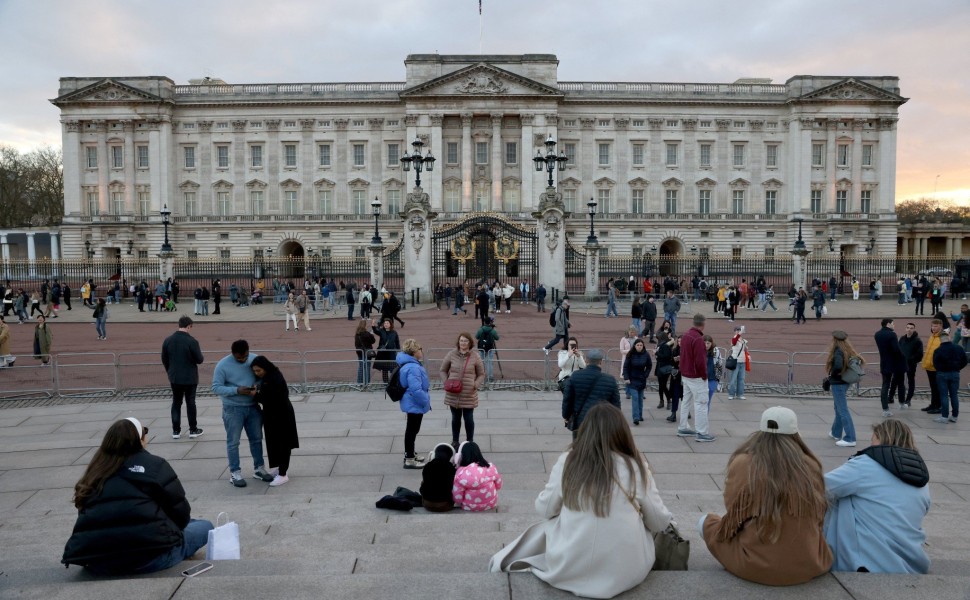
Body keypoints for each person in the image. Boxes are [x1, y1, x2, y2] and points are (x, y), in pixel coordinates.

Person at [489, 403, 676, 599]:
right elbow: (659, 522)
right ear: (623, 434)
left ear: (585, 432)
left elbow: (544, 509)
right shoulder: (635, 467)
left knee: (549, 526)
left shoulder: (568, 461)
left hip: (569, 567)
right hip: (628, 571)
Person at [62, 418, 214, 575]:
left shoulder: (95, 470)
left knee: (190, 524)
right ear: (139, 439)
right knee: (205, 526)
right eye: (145, 432)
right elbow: (181, 514)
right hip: (150, 558)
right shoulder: (155, 465)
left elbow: (86, 515)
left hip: (98, 561)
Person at [701, 406, 832, 585]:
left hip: (755, 566)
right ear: (795, 433)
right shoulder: (810, 464)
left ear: (761, 431)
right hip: (810, 564)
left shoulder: (744, 462)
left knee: (705, 522)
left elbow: (732, 512)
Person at [824, 419, 930, 573]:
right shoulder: (922, 477)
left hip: (869, 563)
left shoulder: (865, 465)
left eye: (872, 439)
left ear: (881, 438)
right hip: (911, 563)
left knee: (840, 495)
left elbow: (819, 487)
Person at [211, 340, 274, 487]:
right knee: (233, 442)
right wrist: (236, 390)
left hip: (252, 406)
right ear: (233, 353)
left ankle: (259, 469)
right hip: (233, 409)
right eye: (239, 357)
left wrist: (256, 386)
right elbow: (216, 387)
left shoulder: (254, 359)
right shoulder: (222, 365)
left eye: (245, 356)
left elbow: (263, 376)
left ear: (248, 351)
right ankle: (235, 473)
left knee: (257, 439)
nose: (242, 360)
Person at [251, 356, 299, 486]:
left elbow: (273, 399)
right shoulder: (268, 377)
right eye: (255, 371)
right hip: (272, 415)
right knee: (274, 443)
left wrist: (255, 395)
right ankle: (279, 469)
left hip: (282, 415)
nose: (257, 373)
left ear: (265, 368)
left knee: (283, 444)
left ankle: (283, 474)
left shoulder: (275, 378)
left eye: (258, 370)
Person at [161, 316, 205, 440]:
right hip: (190, 377)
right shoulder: (192, 341)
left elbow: (164, 359)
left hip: (174, 377)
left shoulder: (168, 340)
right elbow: (199, 359)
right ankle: (193, 429)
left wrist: (170, 371)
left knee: (176, 402)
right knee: (190, 402)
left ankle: (176, 431)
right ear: (189, 326)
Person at [440, 332, 486, 450]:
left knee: (468, 419)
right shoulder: (451, 354)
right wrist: (446, 382)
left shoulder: (475, 356)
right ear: (458, 342)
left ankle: (469, 442)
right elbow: (443, 370)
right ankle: (455, 441)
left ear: (470, 342)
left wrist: (475, 385)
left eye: (465, 341)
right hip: (453, 393)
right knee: (455, 419)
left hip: (468, 393)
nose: (463, 343)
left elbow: (481, 374)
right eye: (461, 341)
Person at [562, 348, 620, 438]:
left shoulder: (575, 376)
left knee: (579, 449)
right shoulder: (610, 380)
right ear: (601, 362)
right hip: (601, 422)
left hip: (580, 421)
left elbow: (567, 399)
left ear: (586, 360)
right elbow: (616, 406)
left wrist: (566, 416)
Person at [678, 314, 714, 442]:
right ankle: (702, 432)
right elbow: (700, 361)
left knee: (685, 401)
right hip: (696, 376)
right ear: (703, 324)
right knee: (701, 403)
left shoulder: (686, 335)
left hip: (686, 374)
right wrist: (704, 375)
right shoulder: (698, 339)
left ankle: (683, 426)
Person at [396, 338, 431, 468]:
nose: (421, 351)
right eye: (419, 349)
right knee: (412, 430)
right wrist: (425, 400)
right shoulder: (413, 367)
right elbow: (416, 389)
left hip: (411, 401)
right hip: (414, 402)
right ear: (414, 351)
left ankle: (410, 453)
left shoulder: (409, 364)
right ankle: (409, 458)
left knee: (412, 429)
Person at [826, 330, 864, 447]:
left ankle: (850, 438)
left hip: (838, 383)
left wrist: (832, 376)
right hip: (845, 382)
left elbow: (837, 366)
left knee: (842, 410)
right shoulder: (847, 349)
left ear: (835, 339)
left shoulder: (838, 351)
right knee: (838, 407)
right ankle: (836, 432)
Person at [451, 441, 502, 511]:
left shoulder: (460, 473)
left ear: (461, 456)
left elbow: (457, 497)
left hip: (468, 506)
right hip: (491, 503)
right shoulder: (490, 467)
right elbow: (498, 485)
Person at [932, 331, 967, 424]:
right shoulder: (959, 348)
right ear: (949, 337)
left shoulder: (938, 350)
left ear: (940, 340)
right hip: (955, 373)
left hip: (942, 374)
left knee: (944, 396)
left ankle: (944, 416)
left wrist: (941, 369)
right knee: (954, 395)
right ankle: (954, 416)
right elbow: (965, 361)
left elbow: (935, 364)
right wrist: (957, 367)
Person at [874, 318, 905, 417]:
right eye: (893, 323)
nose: (894, 325)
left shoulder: (877, 334)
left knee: (885, 384)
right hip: (895, 362)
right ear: (888, 324)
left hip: (884, 362)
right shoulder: (892, 334)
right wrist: (902, 357)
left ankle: (885, 408)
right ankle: (902, 403)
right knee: (900, 382)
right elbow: (896, 349)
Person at [621, 338, 652, 425]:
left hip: (641, 379)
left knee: (640, 399)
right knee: (635, 398)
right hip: (632, 380)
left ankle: (640, 415)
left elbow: (649, 366)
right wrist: (626, 378)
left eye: (641, 345)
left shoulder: (646, 354)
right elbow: (626, 367)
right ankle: (635, 417)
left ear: (643, 346)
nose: (639, 347)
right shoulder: (630, 354)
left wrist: (645, 375)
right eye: (638, 345)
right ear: (634, 346)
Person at [420, 443, 456, 512]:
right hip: (446, 506)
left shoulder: (427, 466)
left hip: (427, 505)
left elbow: (422, 489)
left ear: (433, 455)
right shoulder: (451, 468)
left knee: (423, 482)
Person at [920, 319, 944, 414]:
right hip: (929, 366)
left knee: (937, 388)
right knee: (933, 387)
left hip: (936, 367)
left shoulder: (943, 337)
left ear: (941, 326)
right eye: (933, 326)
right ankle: (933, 404)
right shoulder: (932, 336)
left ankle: (938, 406)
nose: (934, 328)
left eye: (936, 326)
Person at [898, 322, 923, 408]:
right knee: (900, 381)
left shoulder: (917, 341)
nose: (909, 329)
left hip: (911, 365)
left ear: (914, 329)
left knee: (911, 381)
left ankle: (908, 400)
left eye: (911, 328)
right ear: (905, 329)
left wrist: (911, 360)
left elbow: (919, 354)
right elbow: (898, 349)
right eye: (908, 328)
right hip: (901, 364)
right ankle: (900, 399)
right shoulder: (902, 339)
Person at [372, 317, 401, 384]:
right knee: (384, 369)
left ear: (390, 324)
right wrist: (373, 325)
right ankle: (385, 382)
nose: (386, 324)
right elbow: (376, 331)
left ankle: (392, 382)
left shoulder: (394, 332)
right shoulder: (381, 331)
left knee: (393, 368)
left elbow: (397, 342)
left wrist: (398, 351)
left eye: (387, 323)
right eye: (385, 323)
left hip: (391, 353)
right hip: (383, 353)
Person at [655, 334, 678, 410]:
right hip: (660, 367)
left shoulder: (665, 346)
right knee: (661, 385)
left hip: (664, 368)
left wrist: (656, 353)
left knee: (663, 385)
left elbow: (666, 356)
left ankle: (668, 400)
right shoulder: (662, 345)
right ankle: (662, 400)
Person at [475, 316, 500, 384]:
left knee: (481, 362)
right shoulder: (492, 330)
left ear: (484, 322)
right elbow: (497, 338)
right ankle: (490, 376)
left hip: (481, 347)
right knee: (489, 362)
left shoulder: (481, 329)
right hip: (490, 348)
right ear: (490, 322)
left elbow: (476, 337)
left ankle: (480, 375)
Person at [726, 325, 748, 400]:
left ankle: (740, 394)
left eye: (739, 330)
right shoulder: (734, 338)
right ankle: (731, 394)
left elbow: (745, 350)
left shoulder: (743, 340)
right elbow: (734, 342)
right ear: (734, 331)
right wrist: (739, 334)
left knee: (741, 379)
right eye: (737, 330)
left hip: (743, 361)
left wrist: (748, 356)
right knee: (733, 379)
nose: (738, 331)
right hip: (736, 361)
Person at [354, 319, 376, 385]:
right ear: (365, 326)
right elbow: (373, 341)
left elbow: (356, 344)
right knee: (367, 367)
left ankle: (359, 382)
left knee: (360, 367)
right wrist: (372, 334)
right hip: (367, 352)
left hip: (359, 352)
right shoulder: (367, 334)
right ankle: (367, 382)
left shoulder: (357, 334)